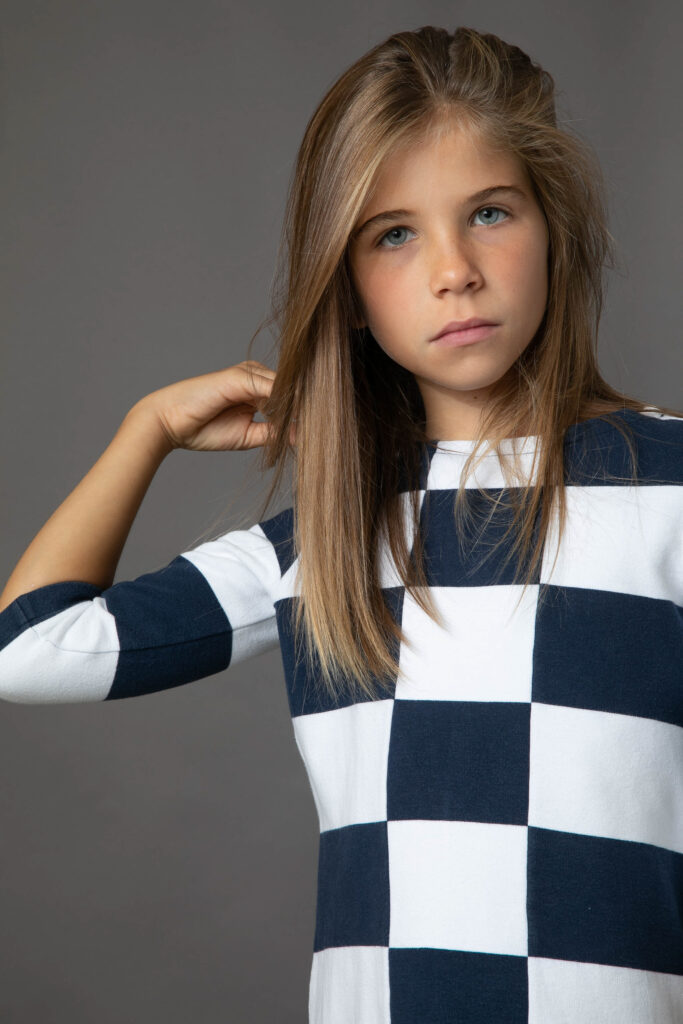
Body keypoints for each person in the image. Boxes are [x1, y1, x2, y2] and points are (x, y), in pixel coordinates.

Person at [1, 23, 681, 1024]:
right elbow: (27, 649)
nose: (453, 269)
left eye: (488, 212)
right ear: (349, 291)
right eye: (393, 234)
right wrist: (145, 431)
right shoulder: (319, 542)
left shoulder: (668, 487)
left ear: (553, 230)